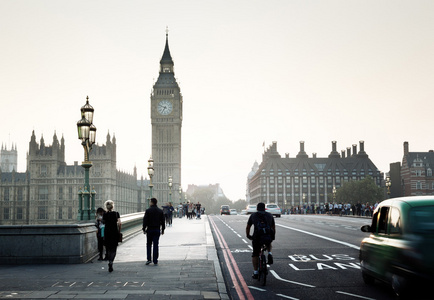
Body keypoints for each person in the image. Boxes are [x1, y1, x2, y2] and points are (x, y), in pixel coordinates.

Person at [246, 202, 275, 279]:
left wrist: (248, 235)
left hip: (257, 237)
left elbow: (248, 227)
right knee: (269, 242)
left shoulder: (253, 215)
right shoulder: (269, 215)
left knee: (255, 254)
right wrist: (272, 237)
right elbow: (273, 228)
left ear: (257, 208)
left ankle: (255, 272)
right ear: (265, 208)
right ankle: (269, 253)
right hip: (267, 236)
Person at [143, 198, 165, 265]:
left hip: (149, 229)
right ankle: (155, 260)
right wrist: (163, 229)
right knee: (156, 244)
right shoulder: (160, 211)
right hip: (157, 229)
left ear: (151, 202)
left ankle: (149, 259)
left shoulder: (148, 210)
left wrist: (144, 228)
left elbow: (145, 220)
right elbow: (163, 221)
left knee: (149, 244)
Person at [102, 200, 121, 272]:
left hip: (107, 232)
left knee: (108, 248)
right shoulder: (116, 213)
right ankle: (111, 261)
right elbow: (120, 223)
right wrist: (118, 231)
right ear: (113, 206)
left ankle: (109, 260)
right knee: (114, 249)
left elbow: (103, 222)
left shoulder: (105, 214)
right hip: (114, 232)